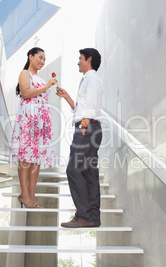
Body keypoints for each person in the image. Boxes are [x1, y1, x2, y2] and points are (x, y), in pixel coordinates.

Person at [57, 48, 104, 227]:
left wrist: (84, 125)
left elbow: (90, 104)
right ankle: (93, 218)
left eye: (80, 59)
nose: (78, 62)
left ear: (89, 59)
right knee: (89, 173)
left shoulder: (91, 78)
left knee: (74, 169)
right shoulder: (89, 79)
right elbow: (82, 107)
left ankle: (83, 215)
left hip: (87, 127)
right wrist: (68, 97)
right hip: (91, 126)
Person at [9, 47, 57, 208]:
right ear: (30, 56)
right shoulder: (25, 74)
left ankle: (31, 195)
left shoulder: (41, 79)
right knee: (25, 157)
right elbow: (27, 93)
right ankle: (24, 194)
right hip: (28, 119)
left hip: (41, 121)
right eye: (40, 57)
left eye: (44, 59)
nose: (42, 62)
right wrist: (47, 86)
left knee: (36, 159)